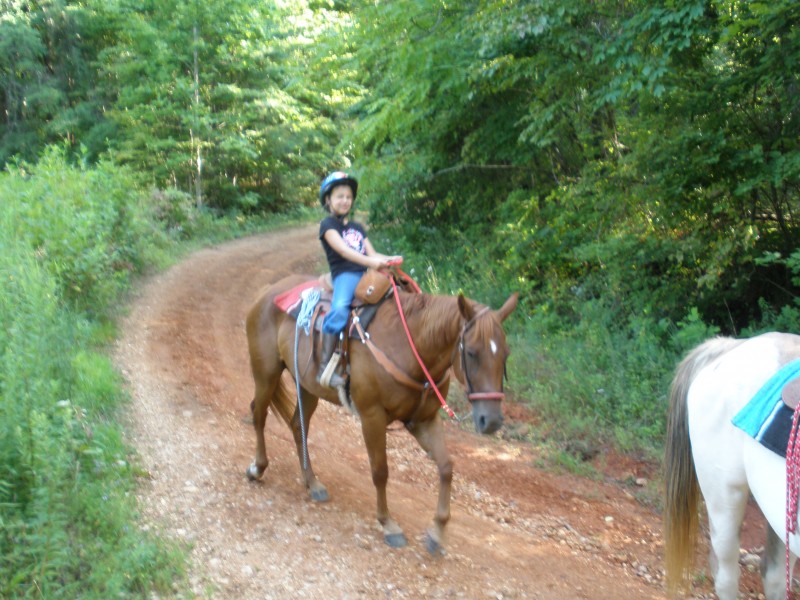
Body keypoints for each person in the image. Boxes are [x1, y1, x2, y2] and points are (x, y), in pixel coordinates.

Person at [317, 171, 402, 388]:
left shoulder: (357, 227)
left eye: (348, 196)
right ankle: (324, 367)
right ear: (329, 200)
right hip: (345, 274)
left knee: (398, 296)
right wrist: (371, 263)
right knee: (339, 308)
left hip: (366, 273)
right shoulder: (328, 225)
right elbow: (344, 252)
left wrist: (389, 260)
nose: (345, 201)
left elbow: (372, 254)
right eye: (339, 196)